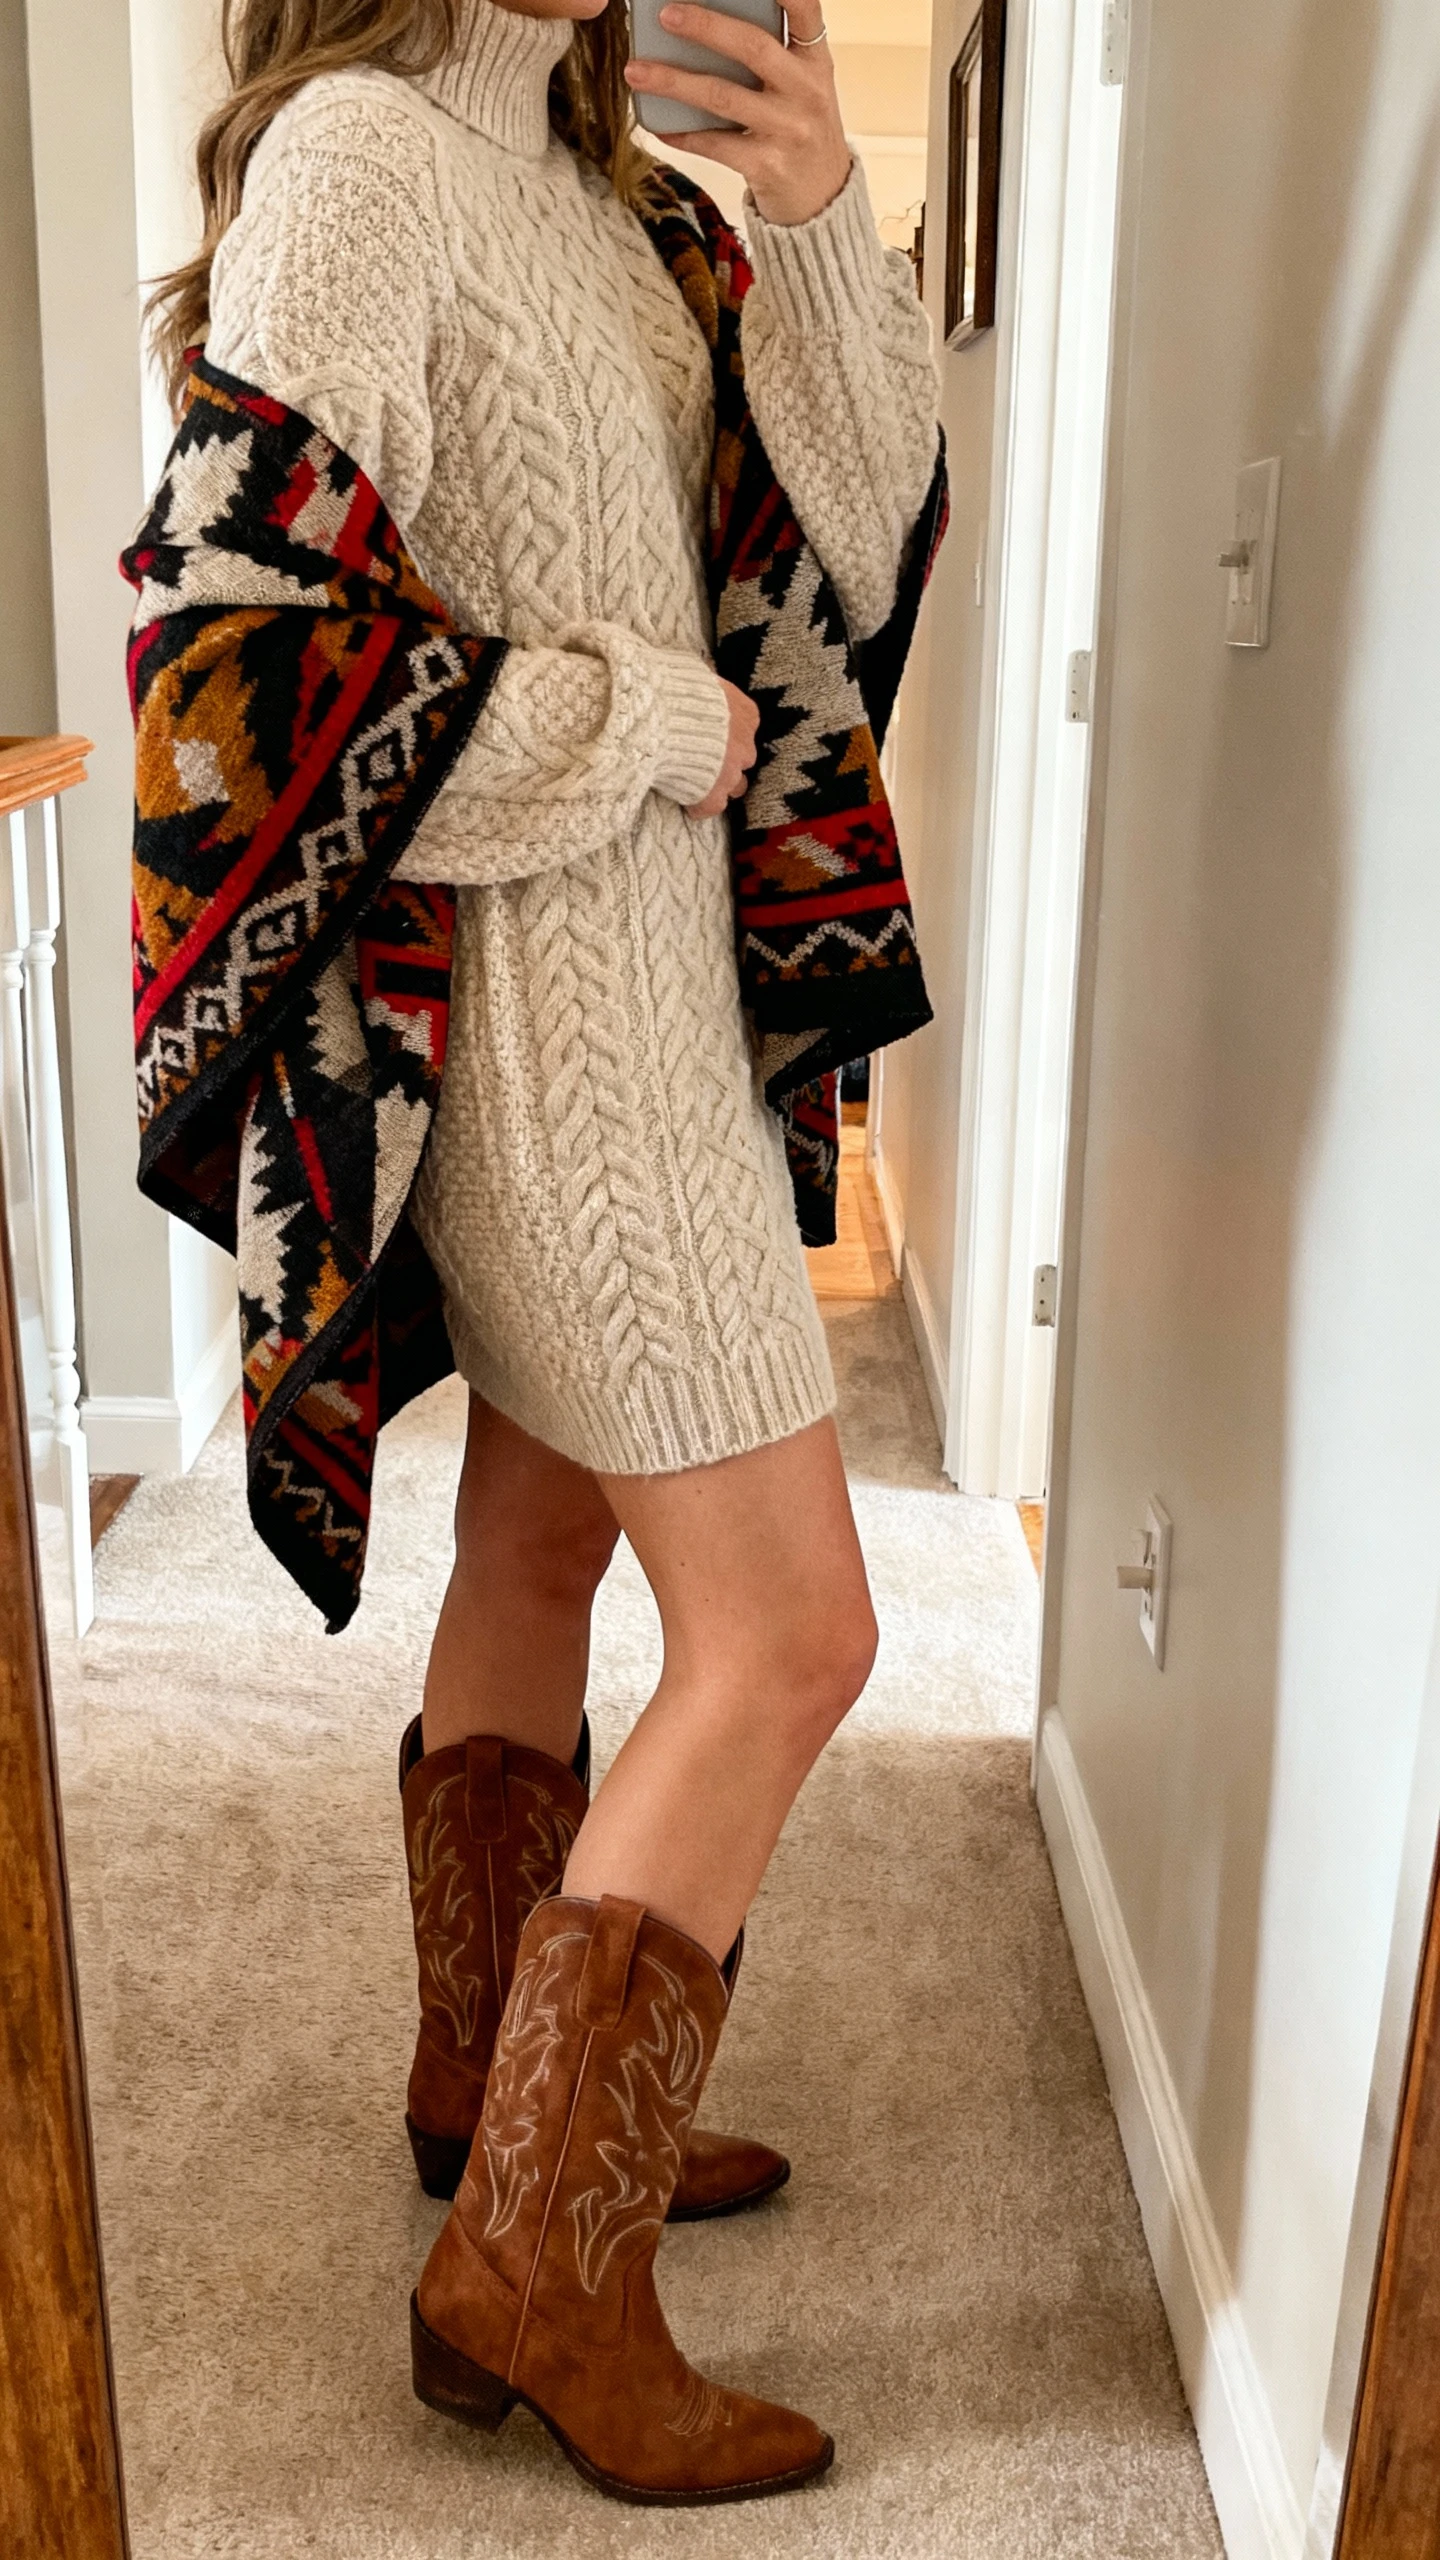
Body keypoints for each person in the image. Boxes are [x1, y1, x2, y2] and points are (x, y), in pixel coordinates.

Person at [147, 0, 939, 2505]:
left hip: (650, 1005)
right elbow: (235, 675)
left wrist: (816, 219)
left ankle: (490, 2094)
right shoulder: (367, 160)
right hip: (561, 1042)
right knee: (798, 1627)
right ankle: (540, 2263)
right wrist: (645, 727)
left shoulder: (621, 207)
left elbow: (860, 512)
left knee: (547, 1522)